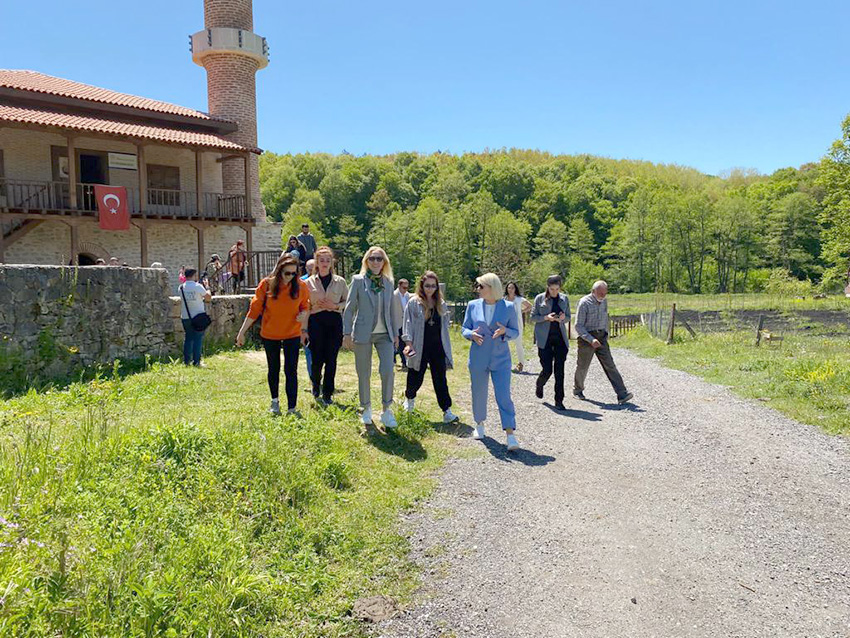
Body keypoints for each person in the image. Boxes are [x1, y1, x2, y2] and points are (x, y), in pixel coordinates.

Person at [236, 255, 310, 416]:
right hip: (270, 333)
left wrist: (303, 315)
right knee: (273, 368)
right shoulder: (266, 285)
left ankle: (292, 407)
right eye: (287, 273)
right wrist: (241, 332)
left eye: (293, 273)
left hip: (292, 333)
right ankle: (274, 401)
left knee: (291, 370)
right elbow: (254, 310)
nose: (290, 277)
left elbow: (306, 306)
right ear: (278, 271)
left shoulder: (301, 286)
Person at [343, 246, 402, 428]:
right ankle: (366, 408)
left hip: (385, 334)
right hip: (363, 333)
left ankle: (386, 409)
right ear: (366, 262)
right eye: (372, 258)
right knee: (364, 372)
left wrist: (395, 334)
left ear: (384, 262)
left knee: (387, 370)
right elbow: (349, 308)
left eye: (379, 259)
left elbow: (391, 310)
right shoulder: (358, 281)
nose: (375, 262)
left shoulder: (388, 282)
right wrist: (346, 333)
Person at [462, 273, 520, 451]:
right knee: (478, 392)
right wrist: (471, 334)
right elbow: (464, 328)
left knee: (503, 395)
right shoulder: (472, 305)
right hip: (478, 357)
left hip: (501, 358)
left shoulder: (508, 307)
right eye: (477, 286)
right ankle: (479, 424)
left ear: (491, 287)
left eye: (481, 286)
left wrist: (505, 331)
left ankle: (510, 434)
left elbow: (515, 332)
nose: (477, 289)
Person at [402, 271, 458, 423]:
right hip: (419, 345)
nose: (430, 289)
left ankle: (447, 410)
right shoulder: (414, 303)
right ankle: (409, 400)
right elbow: (407, 323)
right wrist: (408, 343)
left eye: (433, 286)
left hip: (438, 347)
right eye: (427, 285)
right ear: (421, 285)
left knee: (440, 378)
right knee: (415, 375)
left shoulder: (441, 303)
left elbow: (445, 325)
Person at [573, 280, 634, 404]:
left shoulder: (604, 301)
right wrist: (591, 339)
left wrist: (605, 333)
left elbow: (605, 317)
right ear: (593, 291)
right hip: (587, 338)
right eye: (600, 293)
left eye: (604, 293)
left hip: (601, 337)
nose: (602, 296)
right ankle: (578, 390)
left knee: (610, 365)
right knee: (583, 366)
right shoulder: (584, 303)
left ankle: (622, 394)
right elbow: (578, 326)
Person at [305, 247, 348, 404]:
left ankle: (328, 393)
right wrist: (304, 327)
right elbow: (304, 306)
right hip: (316, 323)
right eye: (321, 260)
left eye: (327, 260)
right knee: (317, 360)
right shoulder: (308, 283)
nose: (324, 263)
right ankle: (316, 384)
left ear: (332, 263)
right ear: (316, 262)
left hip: (334, 323)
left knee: (331, 359)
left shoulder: (340, 282)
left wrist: (334, 306)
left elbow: (348, 303)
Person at [530, 275, 571, 411]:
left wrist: (563, 318)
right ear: (547, 287)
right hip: (544, 340)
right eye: (552, 289)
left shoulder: (564, 299)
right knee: (547, 370)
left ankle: (559, 401)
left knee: (560, 371)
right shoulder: (539, 298)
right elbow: (533, 317)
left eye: (557, 289)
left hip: (560, 340)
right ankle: (540, 383)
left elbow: (569, 317)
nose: (554, 292)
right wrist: (546, 318)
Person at [178, 267, 212, 367]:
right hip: (197, 316)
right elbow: (208, 298)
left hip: (185, 316)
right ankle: (196, 362)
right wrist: (207, 287)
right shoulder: (198, 286)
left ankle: (186, 361)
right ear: (194, 275)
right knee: (198, 339)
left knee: (188, 338)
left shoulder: (180, 288)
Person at [505, 281, 532, 372]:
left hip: (517, 324)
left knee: (518, 344)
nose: (511, 290)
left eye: (512, 288)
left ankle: (521, 363)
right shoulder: (504, 299)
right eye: (509, 288)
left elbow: (529, 306)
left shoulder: (519, 299)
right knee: (505, 344)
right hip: (506, 325)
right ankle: (506, 364)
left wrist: (521, 311)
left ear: (515, 289)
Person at [301, 258, 316, 378]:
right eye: (309, 269)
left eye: (313, 268)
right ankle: (313, 379)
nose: (311, 271)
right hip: (306, 320)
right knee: (308, 351)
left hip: (319, 319)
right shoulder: (302, 282)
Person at [393, 279, 411, 368]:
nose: (406, 289)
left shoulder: (408, 295)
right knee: (400, 343)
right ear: (399, 286)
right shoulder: (393, 295)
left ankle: (395, 354)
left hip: (406, 323)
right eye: (404, 287)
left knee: (406, 342)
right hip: (397, 322)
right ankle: (404, 362)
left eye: (407, 287)